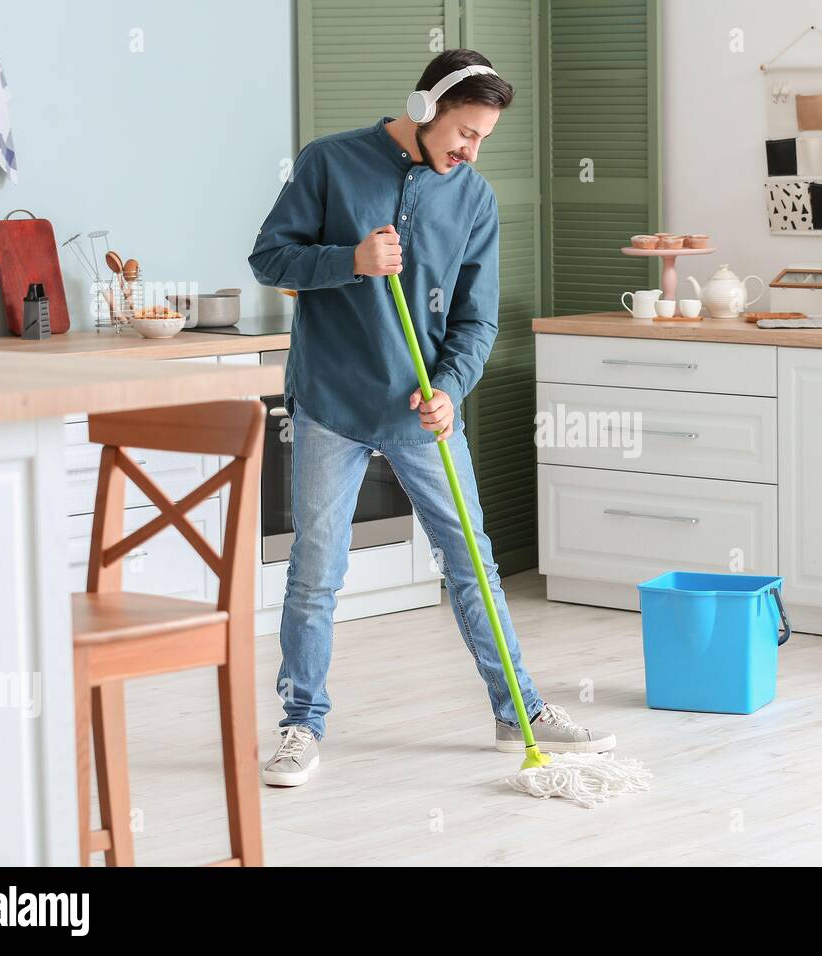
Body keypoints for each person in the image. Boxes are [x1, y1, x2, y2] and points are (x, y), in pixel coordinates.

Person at [248, 49, 614, 787]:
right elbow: (269, 258)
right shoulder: (330, 163)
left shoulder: (473, 199)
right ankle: (300, 725)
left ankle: (519, 710)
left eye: (482, 138)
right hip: (331, 403)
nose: (470, 151)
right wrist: (348, 259)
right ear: (425, 108)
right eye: (464, 132)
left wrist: (450, 387)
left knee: (472, 565)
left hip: (422, 413)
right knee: (317, 574)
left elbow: (476, 323)